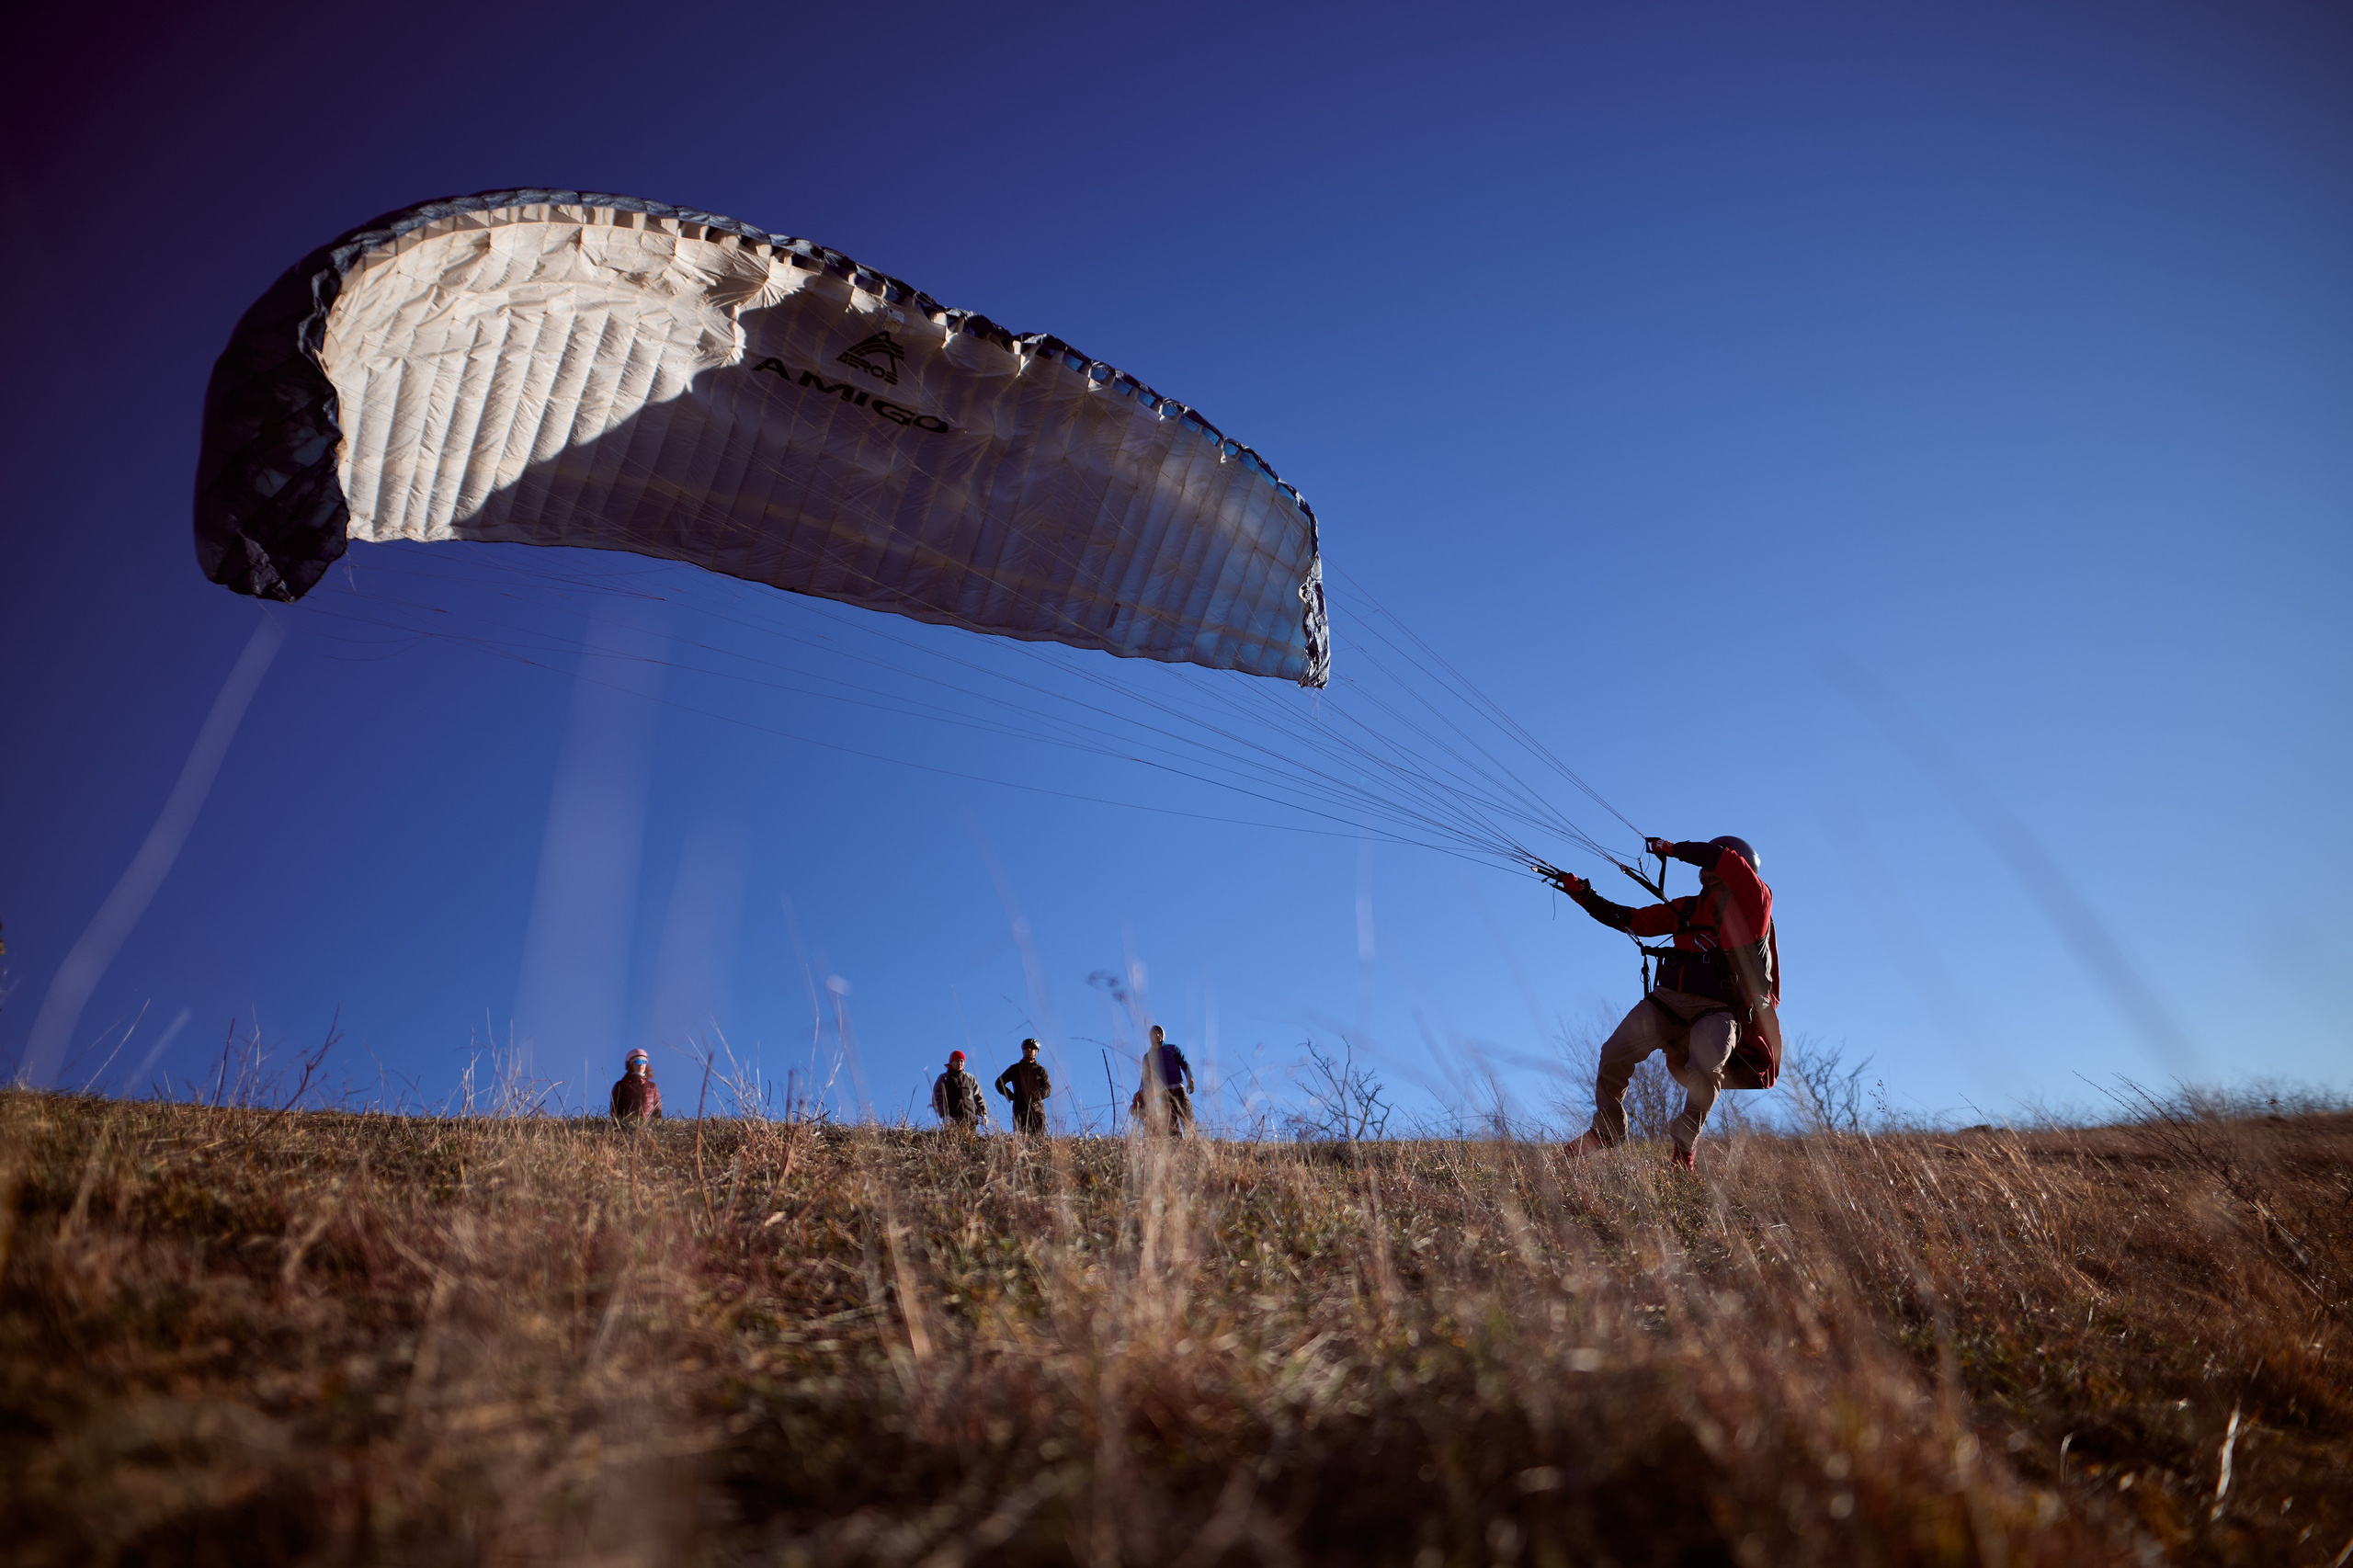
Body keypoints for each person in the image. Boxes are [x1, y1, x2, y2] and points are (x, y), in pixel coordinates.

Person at [1541, 836, 1779, 1170]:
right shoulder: (1685, 908)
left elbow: (1723, 859)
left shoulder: (1757, 903)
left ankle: (1684, 1146)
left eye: (1711, 864)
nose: (1705, 869)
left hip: (1719, 1008)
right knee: (1614, 1054)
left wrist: (1674, 849)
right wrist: (1583, 895)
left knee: (1707, 1070)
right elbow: (1632, 920)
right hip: (1667, 1001)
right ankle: (1607, 1130)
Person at [1135, 1024, 1197, 1137]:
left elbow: (1185, 1064)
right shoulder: (1148, 1057)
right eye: (1154, 1033)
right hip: (1162, 1092)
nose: (1157, 1035)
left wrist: (1190, 1079)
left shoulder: (1173, 1049)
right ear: (1150, 1037)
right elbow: (1146, 1077)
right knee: (1171, 1121)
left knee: (1187, 1115)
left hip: (1178, 1088)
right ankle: (1177, 1145)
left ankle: (1192, 1141)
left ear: (1162, 1035)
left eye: (1159, 1033)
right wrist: (1145, 1095)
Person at [994, 1038, 1051, 1136]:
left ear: (1036, 1051)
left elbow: (1048, 1089)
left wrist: (1037, 1096)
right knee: (1021, 1137)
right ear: (1023, 1050)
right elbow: (999, 1083)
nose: (1029, 1050)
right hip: (1020, 1108)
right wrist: (1011, 1096)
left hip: (1038, 1110)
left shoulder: (1041, 1070)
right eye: (1026, 1048)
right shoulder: (1015, 1068)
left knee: (1040, 1137)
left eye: (1032, 1048)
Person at [931, 1050, 988, 1131]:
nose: (960, 1063)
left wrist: (984, 1114)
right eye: (957, 1061)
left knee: (970, 1144)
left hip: (970, 1121)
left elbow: (978, 1097)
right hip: (952, 1122)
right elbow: (938, 1099)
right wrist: (945, 1115)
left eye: (962, 1061)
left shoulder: (970, 1078)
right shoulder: (944, 1078)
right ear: (951, 1062)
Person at [610, 1048, 664, 1122]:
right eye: (638, 1061)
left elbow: (657, 1109)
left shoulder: (652, 1086)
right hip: (627, 1126)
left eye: (644, 1062)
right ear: (631, 1064)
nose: (641, 1064)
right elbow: (615, 1109)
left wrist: (658, 1125)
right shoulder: (621, 1085)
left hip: (648, 1127)